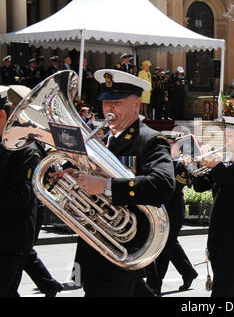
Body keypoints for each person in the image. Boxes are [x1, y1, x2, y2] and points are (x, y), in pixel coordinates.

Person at [50, 69, 176, 297]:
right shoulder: (102, 141)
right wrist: (75, 178)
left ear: (136, 105)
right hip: (97, 248)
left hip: (124, 248)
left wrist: (107, 187)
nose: (108, 109)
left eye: (116, 102)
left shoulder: (150, 140)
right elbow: (94, 185)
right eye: (105, 102)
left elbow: (164, 185)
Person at [192, 116, 234, 297]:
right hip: (218, 230)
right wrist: (196, 165)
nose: (225, 141)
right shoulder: (226, 163)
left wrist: (217, 166)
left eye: (230, 136)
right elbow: (200, 187)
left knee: (223, 286)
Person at [0, 86, 44, 297]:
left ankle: (50, 285)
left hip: (12, 241)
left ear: (2, 115)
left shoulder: (26, 149)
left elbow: (23, 196)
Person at [145, 131, 198, 295]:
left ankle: (155, 284)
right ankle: (188, 272)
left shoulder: (180, 164)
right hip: (160, 208)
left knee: (164, 247)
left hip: (174, 209)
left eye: (168, 144)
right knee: (170, 244)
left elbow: (174, 189)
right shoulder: (159, 161)